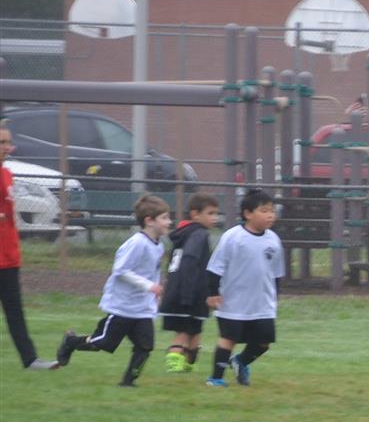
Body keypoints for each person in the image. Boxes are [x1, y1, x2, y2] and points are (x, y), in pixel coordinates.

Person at [52, 193, 171, 386]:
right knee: (104, 343)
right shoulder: (137, 243)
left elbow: (152, 274)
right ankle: (71, 342)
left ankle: (128, 382)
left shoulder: (158, 245)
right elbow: (120, 270)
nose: (169, 222)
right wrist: (149, 286)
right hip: (122, 306)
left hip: (142, 309)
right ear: (149, 221)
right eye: (164, 218)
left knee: (145, 346)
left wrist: (153, 295)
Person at [203, 189, 285, 387]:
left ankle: (240, 361)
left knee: (264, 342)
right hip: (233, 301)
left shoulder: (273, 239)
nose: (270, 215)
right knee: (228, 340)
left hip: (262, 303)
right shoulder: (233, 237)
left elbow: (276, 272)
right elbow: (215, 268)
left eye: (272, 211)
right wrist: (213, 293)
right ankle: (216, 378)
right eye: (264, 211)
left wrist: (275, 296)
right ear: (248, 214)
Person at [0, 122, 54, 370]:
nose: (8, 148)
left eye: (8, 142)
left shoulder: (7, 174)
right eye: (2, 143)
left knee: (15, 311)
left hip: (8, 257)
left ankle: (30, 360)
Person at [158, 193, 222, 374]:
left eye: (216, 214)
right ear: (195, 214)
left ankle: (187, 363)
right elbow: (190, 260)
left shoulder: (183, 233)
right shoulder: (199, 234)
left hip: (175, 290)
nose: (214, 218)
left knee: (193, 330)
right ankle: (175, 360)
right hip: (190, 292)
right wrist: (191, 292)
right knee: (184, 331)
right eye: (210, 213)